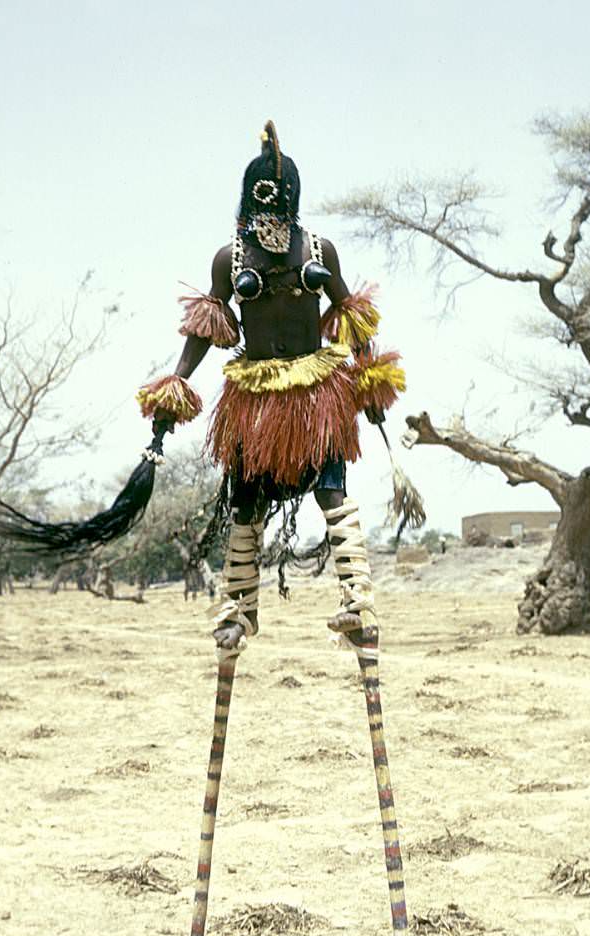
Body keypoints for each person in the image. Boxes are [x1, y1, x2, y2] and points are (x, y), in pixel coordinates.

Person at [137, 121, 405, 651]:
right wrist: (176, 385)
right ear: (248, 203)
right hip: (255, 401)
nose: (271, 217)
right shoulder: (230, 258)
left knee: (331, 490)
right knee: (248, 504)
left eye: (279, 206)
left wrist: (371, 378)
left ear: (294, 203)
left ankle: (356, 600)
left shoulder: (319, 251)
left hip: (316, 395)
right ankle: (240, 607)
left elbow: (350, 314)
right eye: (264, 206)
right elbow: (204, 331)